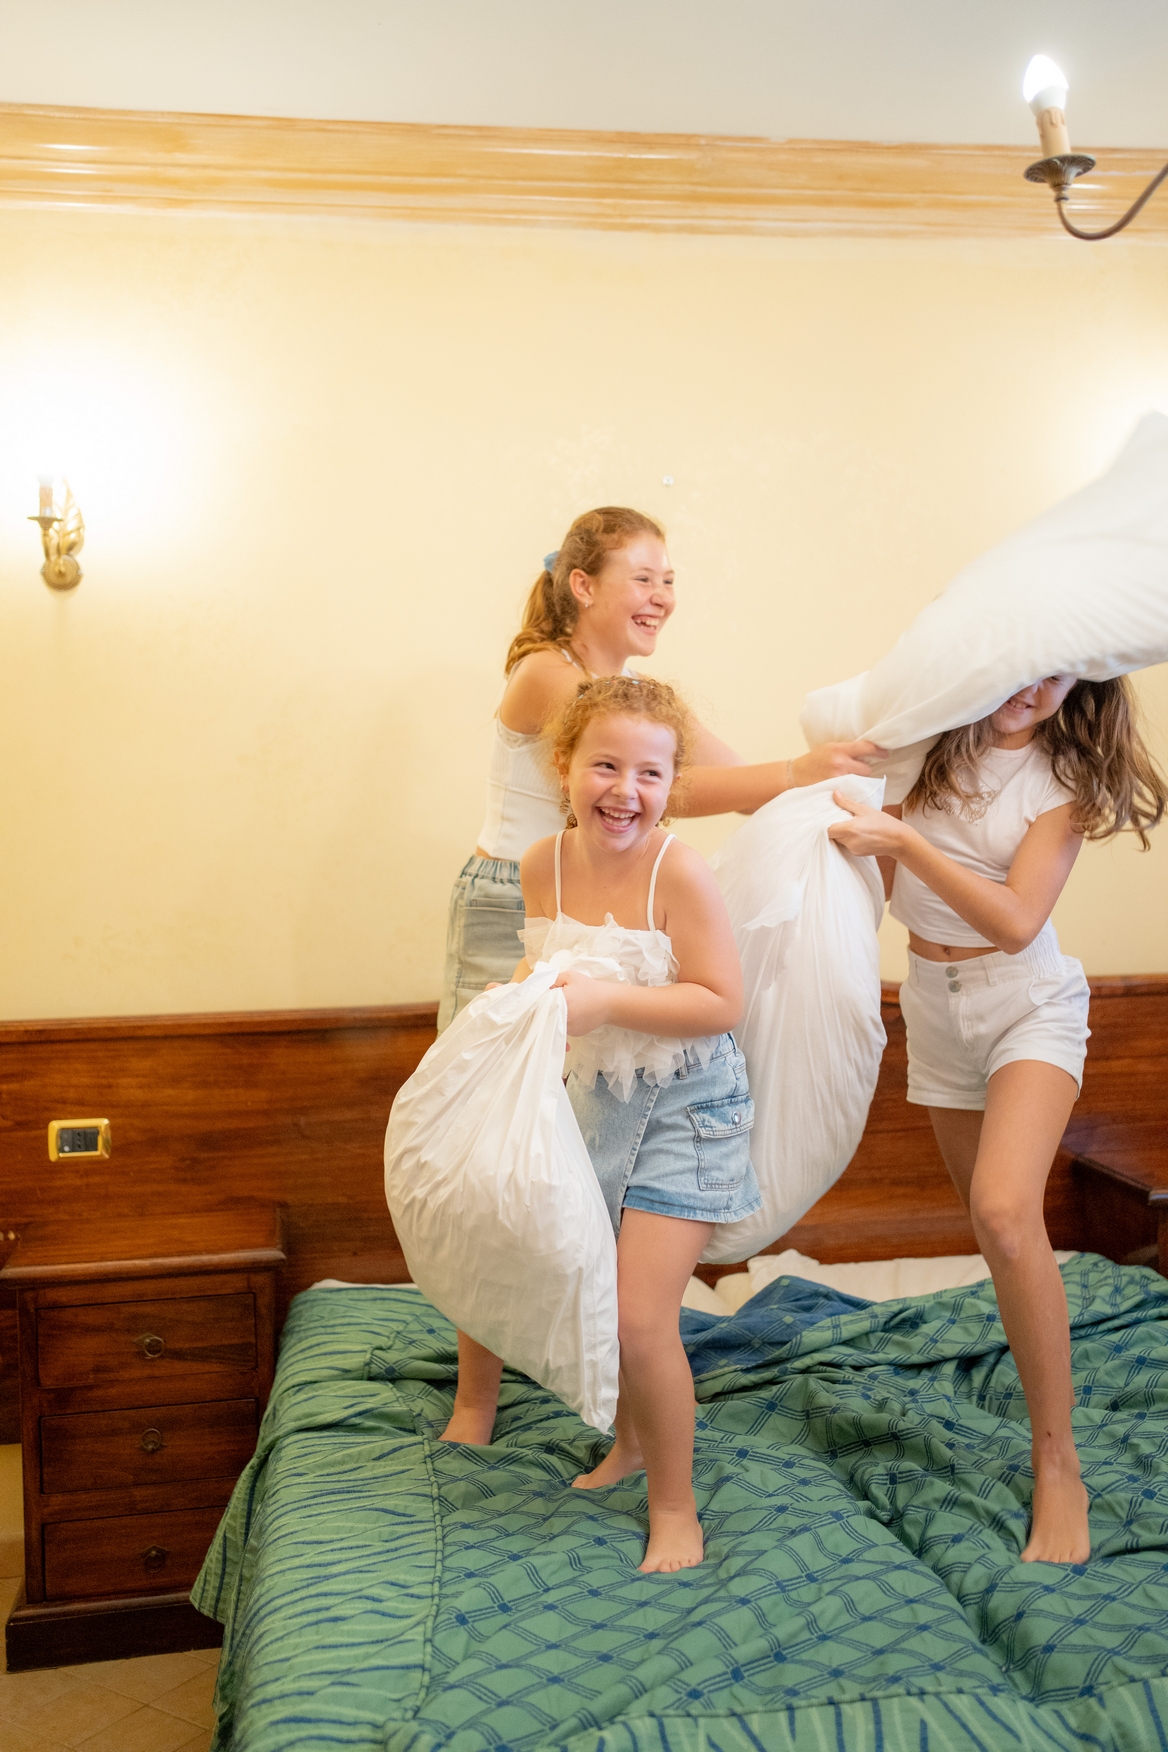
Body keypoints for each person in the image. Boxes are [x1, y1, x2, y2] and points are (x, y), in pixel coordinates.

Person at [827, 674, 1167, 1565]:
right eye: (1025, 664)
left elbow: (1017, 920)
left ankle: (1058, 1461)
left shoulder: (1065, 777)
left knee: (1007, 1211)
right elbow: (870, 883)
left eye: (1059, 674)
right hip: (933, 1007)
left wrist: (904, 838)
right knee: (993, 1231)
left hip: (1029, 1000)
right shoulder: (927, 748)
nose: (1036, 687)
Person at [445, 675, 757, 1574]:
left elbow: (721, 1002)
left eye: (650, 774)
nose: (626, 791)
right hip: (597, 1097)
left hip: (690, 1109)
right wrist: (511, 1006)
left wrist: (608, 999)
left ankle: (676, 1509)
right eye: (606, 766)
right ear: (563, 766)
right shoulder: (540, 863)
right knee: (591, 1286)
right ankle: (629, 1443)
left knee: (638, 1317)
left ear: (671, 786)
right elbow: (546, 967)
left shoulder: (678, 871)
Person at [438, 504, 884, 1030]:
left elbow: (741, 785)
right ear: (583, 586)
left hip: (587, 894)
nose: (662, 597)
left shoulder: (633, 696)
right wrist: (795, 772)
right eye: (644, 579)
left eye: (668, 581)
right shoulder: (545, 672)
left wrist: (833, 767)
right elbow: (670, 790)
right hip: (513, 892)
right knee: (487, 1058)